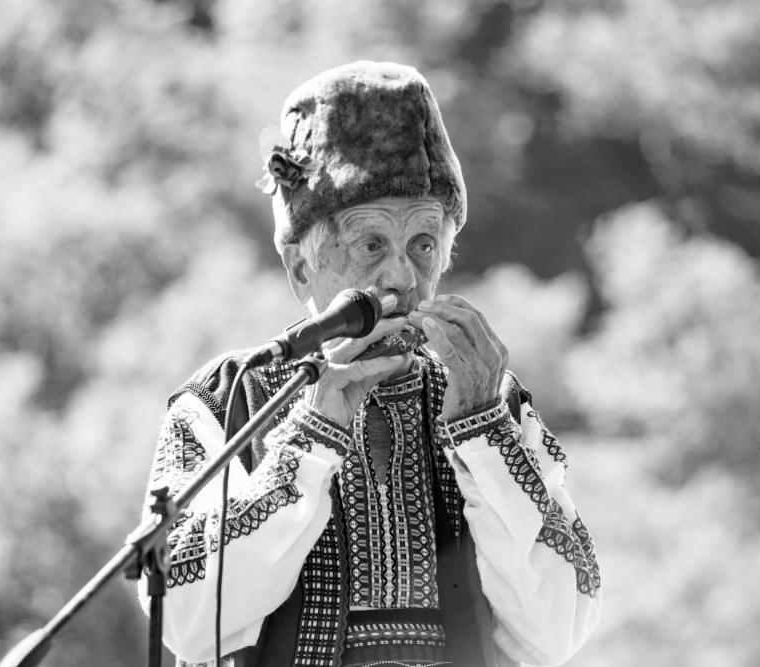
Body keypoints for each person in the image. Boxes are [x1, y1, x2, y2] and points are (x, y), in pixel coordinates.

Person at [140, 61, 601, 667]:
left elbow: (560, 628)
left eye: (423, 245)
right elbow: (184, 618)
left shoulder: (490, 399)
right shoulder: (227, 399)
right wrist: (313, 436)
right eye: (371, 245)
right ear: (301, 267)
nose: (402, 278)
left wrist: (484, 431)